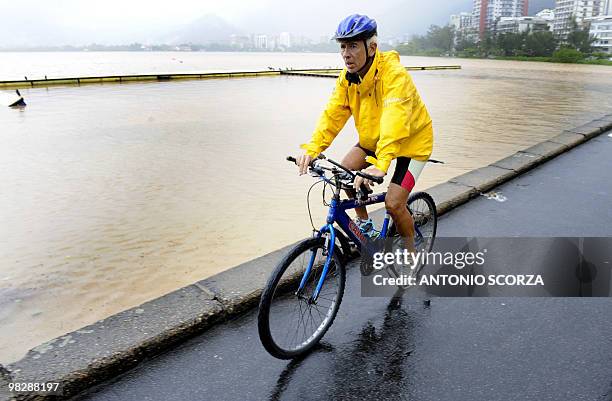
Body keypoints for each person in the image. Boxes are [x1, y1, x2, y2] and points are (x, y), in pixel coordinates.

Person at [297, 14, 434, 251]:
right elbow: (332, 115)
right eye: (342, 46)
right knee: (343, 172)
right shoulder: (347, 79)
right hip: (374, 140)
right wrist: (312, 150)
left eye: (352, 46)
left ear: (371, 47)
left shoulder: (394, 75)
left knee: (393, 204)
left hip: (412, 144)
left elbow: (395, 119)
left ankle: (412, 256)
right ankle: (366, 227)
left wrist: (381, 164)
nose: (346, 53)